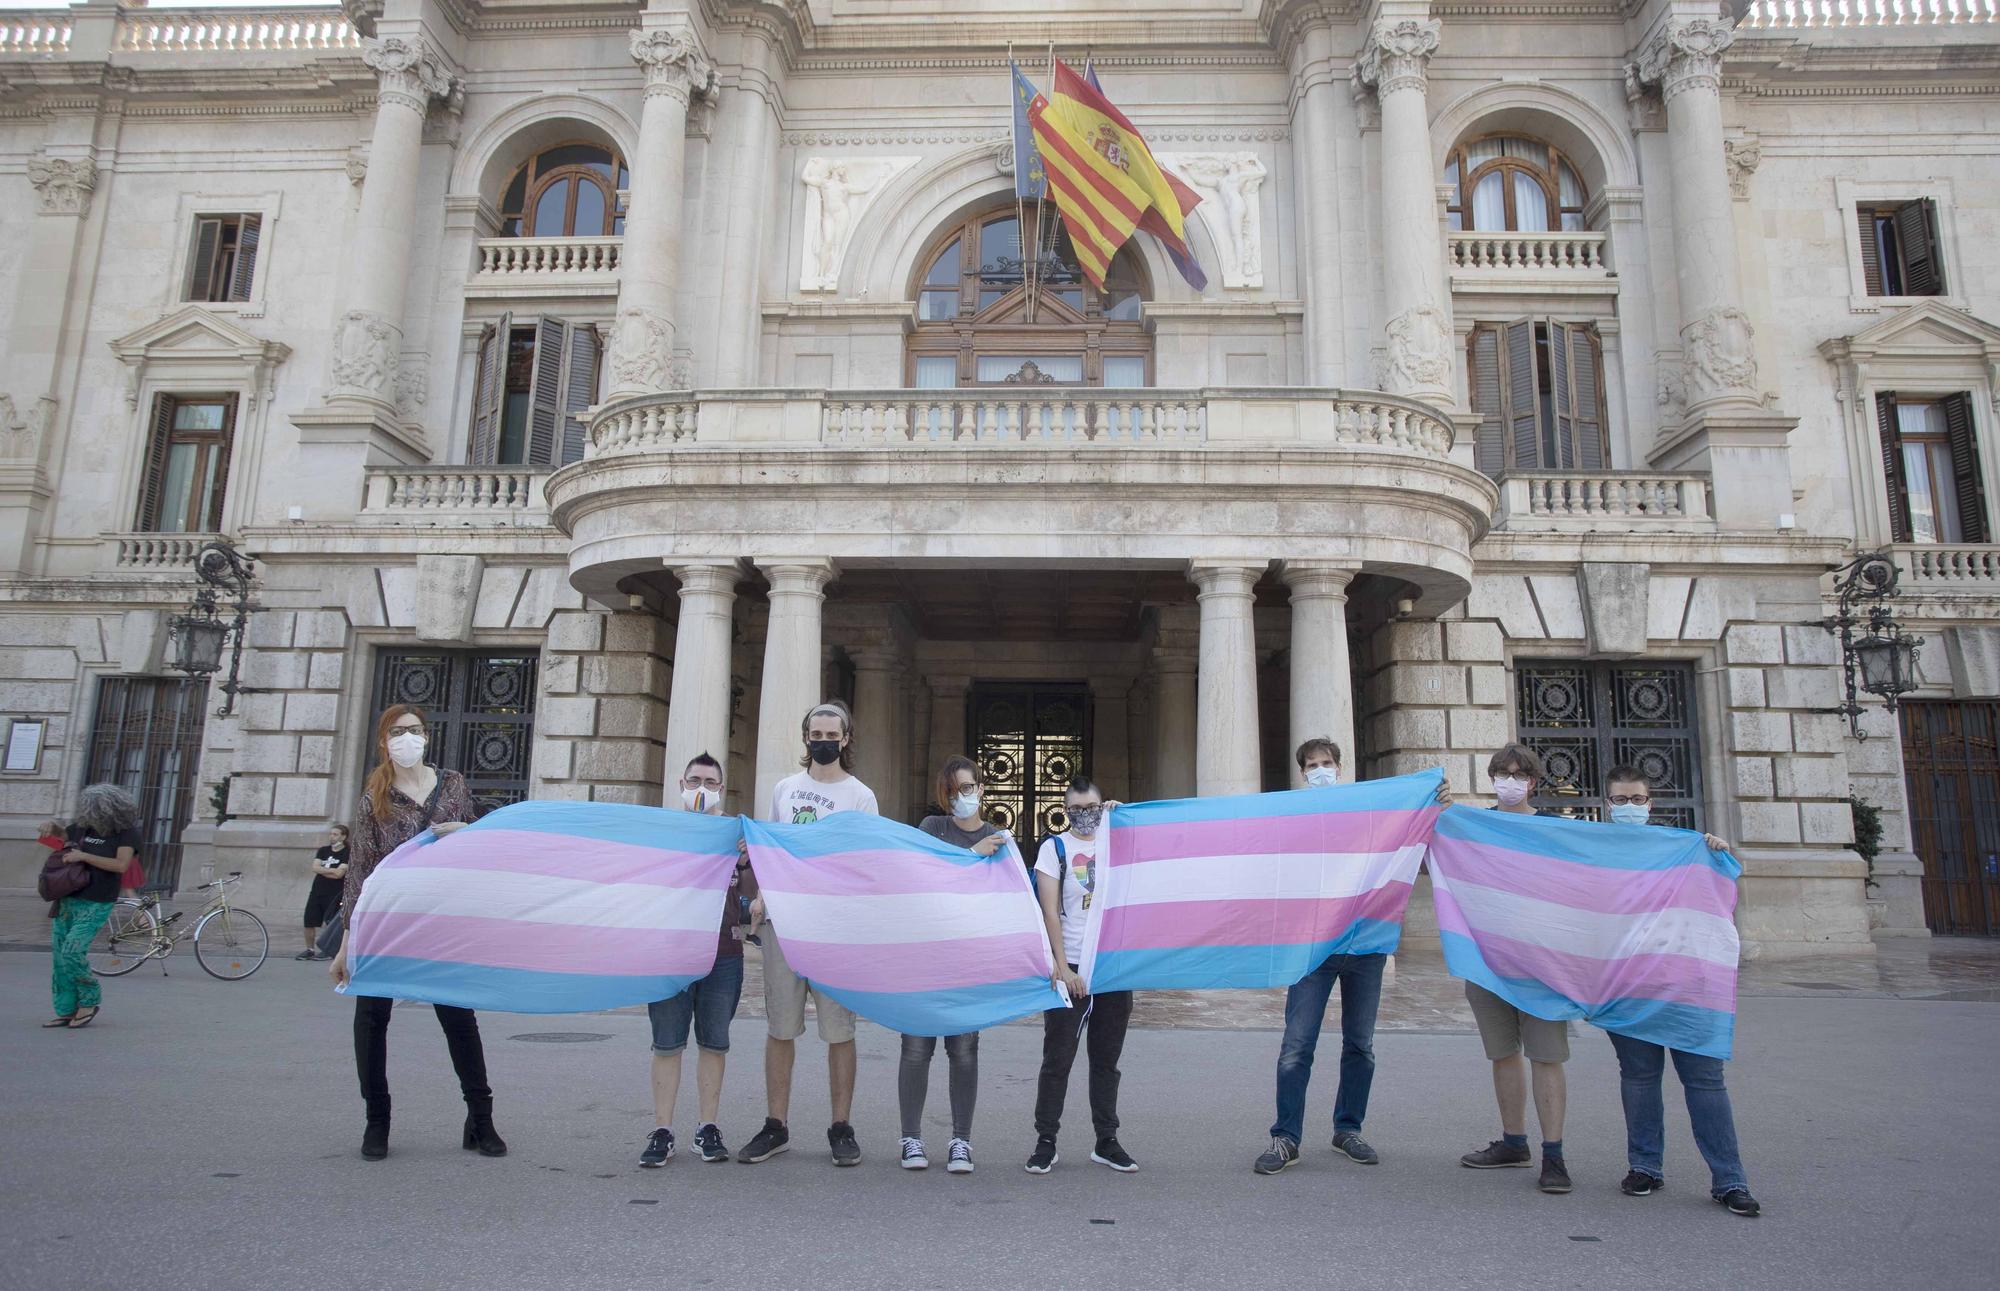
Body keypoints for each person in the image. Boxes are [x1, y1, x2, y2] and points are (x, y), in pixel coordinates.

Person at [329, 705, 500, 1162]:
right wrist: (347, 942)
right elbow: (360, 871)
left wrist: (466, 831)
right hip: (387, 921)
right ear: (384, 741)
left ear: (427, 737)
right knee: (371, 1020)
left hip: (443, 919)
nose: (409, 738)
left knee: (458, 1018)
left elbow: (482, 844)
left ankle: (480, 1120)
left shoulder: (454, 784)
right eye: (399, 732)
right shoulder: (375, 797)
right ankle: (377, 1122)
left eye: (416, 730)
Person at [1600, 764, 1760, 1217]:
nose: (1628, 808)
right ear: (1606, 804)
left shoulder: (1686, 849)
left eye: (1636, 800)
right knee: (1639, 1079)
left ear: (1649, 805)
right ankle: (1644, 1166)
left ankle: (1730, 1179)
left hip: (1689, 985)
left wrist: (1718, 856)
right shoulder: (1596, 851)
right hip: (1629, 984)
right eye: (1619, 800)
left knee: (1705, 1082)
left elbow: (1726, 888)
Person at [737, 700, 879, 1167]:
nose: (822, 742)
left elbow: (867, 862)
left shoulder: (860, 796)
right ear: (806, 739)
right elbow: (769, 849)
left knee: (839, 1031)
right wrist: (759, 894)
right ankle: (775, 1125)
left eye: (830, 735)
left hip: (834, 929)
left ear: (846, 739)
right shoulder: (785, 789)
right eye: (815, 735)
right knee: (780, 1029)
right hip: (784, 923)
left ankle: (841, 1126)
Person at [1254, 738, 1389, 1175]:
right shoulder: (1291, 817)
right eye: (1312, 765)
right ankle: (1285, 1138)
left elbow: (1410, 828)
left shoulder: (1366, 811)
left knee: (1360, 1045)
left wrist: (1435, 801)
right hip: (1311, 948)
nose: (1321, 770)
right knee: (1296, 1045)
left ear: (1340, 766)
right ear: (1302, 774)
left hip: (1364, 944)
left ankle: (1348, 1129)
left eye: (1327, 763)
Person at [1459, 742, 1574, 1193]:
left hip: (1543, 963)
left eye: (1519, 774)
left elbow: (1615, 856)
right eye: (1502, 774)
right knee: (1502, 1053)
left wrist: (1697, 844)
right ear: (1491, 778)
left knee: (1546, 1056)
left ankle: (1555, 1155)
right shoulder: (1477, 825)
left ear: (1533, 781)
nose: (1510, 781)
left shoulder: (1554, 830)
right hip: (1488, 961)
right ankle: (1513, 1142)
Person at [640, 753, 757, 1169]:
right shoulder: (664, 832)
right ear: (681, 784)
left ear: (722, 789)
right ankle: (662, 1130)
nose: (702, 788)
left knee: (714, 1043)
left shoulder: (736, 831)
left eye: (710, 782)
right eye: (695, 780)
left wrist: (745, 860)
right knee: (667, 1044)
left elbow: (750, 893)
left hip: (723, 953)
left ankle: (708, 1126)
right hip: (671, 953)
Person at [900, 755, 1007, 1175]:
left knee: (964, 1050)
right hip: (925, 957)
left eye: (968, 788)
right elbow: (922, 879)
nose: (962, 797)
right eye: (953, 790)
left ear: (982, 788)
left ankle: (961, 1140)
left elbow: (1003, 899)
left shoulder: (997, 837)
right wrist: (971, 856)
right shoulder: (931, 829)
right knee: (916, 1049)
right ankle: (911, 1137)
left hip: (968, 963)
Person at [1026, 775, 1139, 1175]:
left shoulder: (1117, 845)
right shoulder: (1054, 849)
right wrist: (1061, 967)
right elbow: (1049, 911)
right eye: (1075, 810)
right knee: (1058, 1058)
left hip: (1111, 968)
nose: (1084, 816)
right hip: (1071, 964)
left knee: (1106, 1060)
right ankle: (1046, 1140)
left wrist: (1126, 818)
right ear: (1065, 810)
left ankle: (1106, 1140)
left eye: (1092, 808)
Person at [42, 784, 139, 1030]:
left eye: (92, 807)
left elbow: (121, 865)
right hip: (68, 898)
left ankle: (90, 999)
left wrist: (84, 857)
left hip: (97, 901)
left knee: (72, 952)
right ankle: (66, 1010)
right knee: (59, 957)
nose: (88, 811)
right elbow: (56, 843)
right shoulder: (80, 828)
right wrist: (51, 828)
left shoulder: (125, 833)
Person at [297, 823, 350, 960]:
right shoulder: (323, 850)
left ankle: (329, 950)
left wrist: (324, 870)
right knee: (309, 920)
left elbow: (339, 874)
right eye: (331, 834)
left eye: (335, 834)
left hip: (334, 893)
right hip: (317, 890)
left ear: (343, 837)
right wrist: (332, 870)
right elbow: (315, 868)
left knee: (331, 922)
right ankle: (310, 949)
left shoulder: (347, 852)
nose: (332, 837)